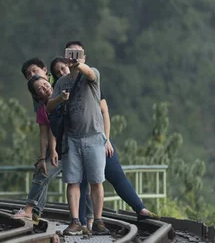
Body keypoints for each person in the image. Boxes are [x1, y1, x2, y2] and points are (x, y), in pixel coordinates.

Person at [50, 54, 159, 227]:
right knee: (81, 183)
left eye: (63, 67)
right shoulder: (62, 87)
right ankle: (84, 223)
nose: (63, 71)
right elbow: (54, 121)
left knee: (115, 175)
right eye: (58, 71)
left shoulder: (88, 81)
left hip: (98, 137)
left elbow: (104, 112)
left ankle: (140, 209)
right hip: (74, 140)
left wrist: (106, 139)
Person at [47, 42, 109, 236]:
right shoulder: (61, 82)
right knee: (72, 181)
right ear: (65, 56)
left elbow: (89, 74)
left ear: (84, 56)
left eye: (78, 53)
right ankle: (75, 221)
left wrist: (78, 64)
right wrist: (61, 99)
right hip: (72, 138)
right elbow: (48, 107)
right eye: (70, 54)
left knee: (96, 181)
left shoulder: (92, 74)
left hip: (94, 135)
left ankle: (98, 221)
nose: (73, 57)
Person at [12, 74, 61, 224]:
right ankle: (35, 213)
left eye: (45, 84)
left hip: (67, 148)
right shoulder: (42, 109)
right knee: (41, 172)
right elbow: (44, 135)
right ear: (37, 95)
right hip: (55, 150)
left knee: (42, 176)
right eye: (40, 89)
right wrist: (42, 157)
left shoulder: (62, 98)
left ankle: (28, 210)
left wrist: (52, 151)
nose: (45, 89)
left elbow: (56, 129)